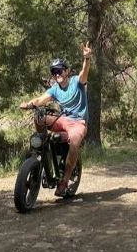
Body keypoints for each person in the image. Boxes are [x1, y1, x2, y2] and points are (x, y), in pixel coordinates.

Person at [20, 42, 92, 197]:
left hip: (78, 123)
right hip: (63, 119)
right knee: (40, 116)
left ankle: (65, 181)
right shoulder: (54, 89)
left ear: (66, 71)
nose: (57, 74)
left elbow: (84, 73)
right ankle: (42, 146)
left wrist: (87, 59)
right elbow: (41, 100)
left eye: (59, 70)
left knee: (74, 141)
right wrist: (29, 104)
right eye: (54, 72)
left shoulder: (76, 82)